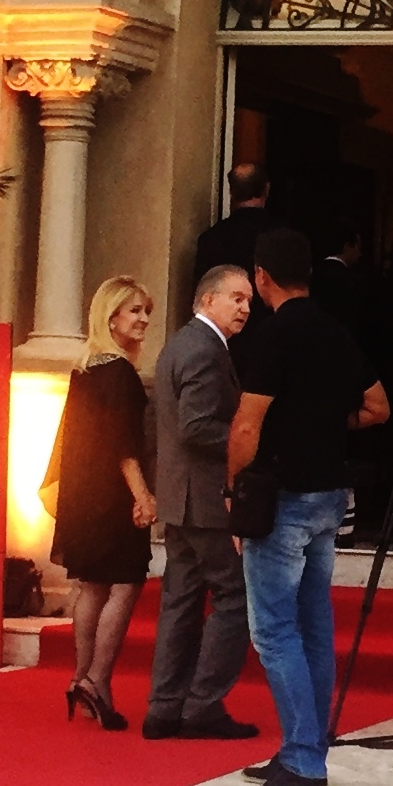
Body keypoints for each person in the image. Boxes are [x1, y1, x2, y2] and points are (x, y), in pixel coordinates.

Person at [227, 226, 387, 786]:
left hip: (282, 498)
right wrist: (323, 424)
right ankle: (306, 747)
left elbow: (246, 425)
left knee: (274, 630)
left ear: (261, 277)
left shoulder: (274, 335)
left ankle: (302, 757)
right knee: (313, 625)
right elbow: (379, 407)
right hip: (329, 497)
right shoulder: (335, 332)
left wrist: (234, 494)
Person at [143, 265, 261, 743]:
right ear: (208, 300)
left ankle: (164, 708)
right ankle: (202, 705)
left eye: (248, 300)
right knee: (235, 598)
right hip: (206, 500)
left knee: (180, 602)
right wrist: (248, 444)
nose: (245, 308)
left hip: (179, 497)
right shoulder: (205, 349)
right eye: (237, 298)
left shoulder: (179, 344)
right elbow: (195, 427)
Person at [47, 275, 160, 730]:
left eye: (146, 311)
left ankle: (81, 678)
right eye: (134, 310)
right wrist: (143, 496)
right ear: (110, 317)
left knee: (93, 584)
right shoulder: (120, 374)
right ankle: (97, 681)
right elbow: (124, 445)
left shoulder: (86, 368)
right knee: (126, 583)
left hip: (84, 493)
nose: (144, 319)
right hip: (113, 496)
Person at [190, 160, 273, 320]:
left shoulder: (210, 239)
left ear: (231, 193)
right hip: (271, 326)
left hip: (226, 328)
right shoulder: (283, 237)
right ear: (267, 189)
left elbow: (201, 296)